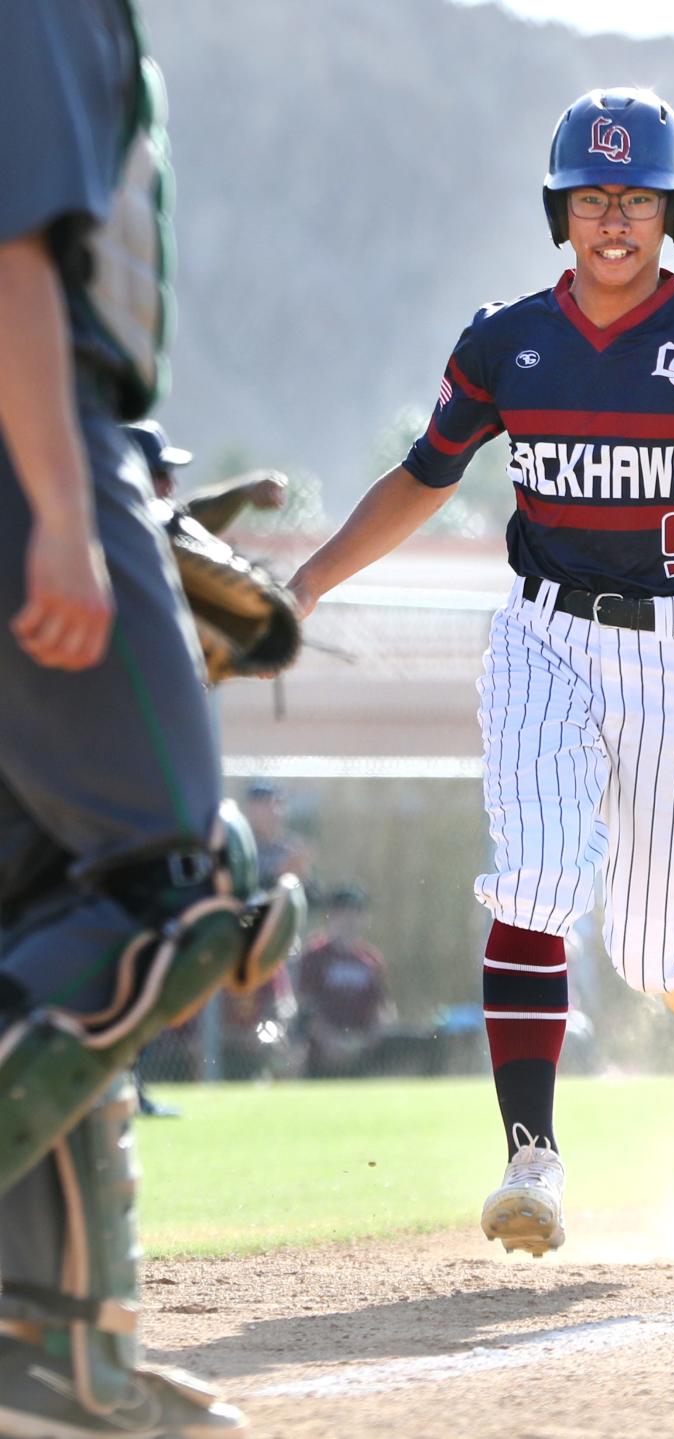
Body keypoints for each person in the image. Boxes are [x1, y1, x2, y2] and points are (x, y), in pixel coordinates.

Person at [289, 87, 674, 1255]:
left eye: (636, 198)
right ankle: (531, 1158)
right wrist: (309, 583)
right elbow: (421, 478)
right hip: (543, 636)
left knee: (665, 969)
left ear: (669, 213)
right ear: (560, 209)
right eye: (591, 197)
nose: (612, 221)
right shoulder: (505, 343)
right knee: (536, 882)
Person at [0, 4, 302, 1432]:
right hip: (33, 441)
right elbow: (13, 253)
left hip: (52, 435)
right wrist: (68, 510)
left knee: (46, 894)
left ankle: (53, 1352)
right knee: (182, 882)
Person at [123, 417, 289, 533]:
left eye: (168, 473)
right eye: (159, 474)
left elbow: (189, 516)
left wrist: (245, 490)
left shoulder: (154, 525)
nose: (170, 485)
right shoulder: (110, 532)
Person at [298, 887, 395, 1077]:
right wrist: (330, 1041)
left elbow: (384, 1008)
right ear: (331, 916)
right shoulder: (314, 956)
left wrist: (366, 1041)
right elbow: (305, 1007)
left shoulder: (371, 959)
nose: (350, 920)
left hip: (363, 1056)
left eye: (356, 913)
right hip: (321, 1058)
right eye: (343, 913)